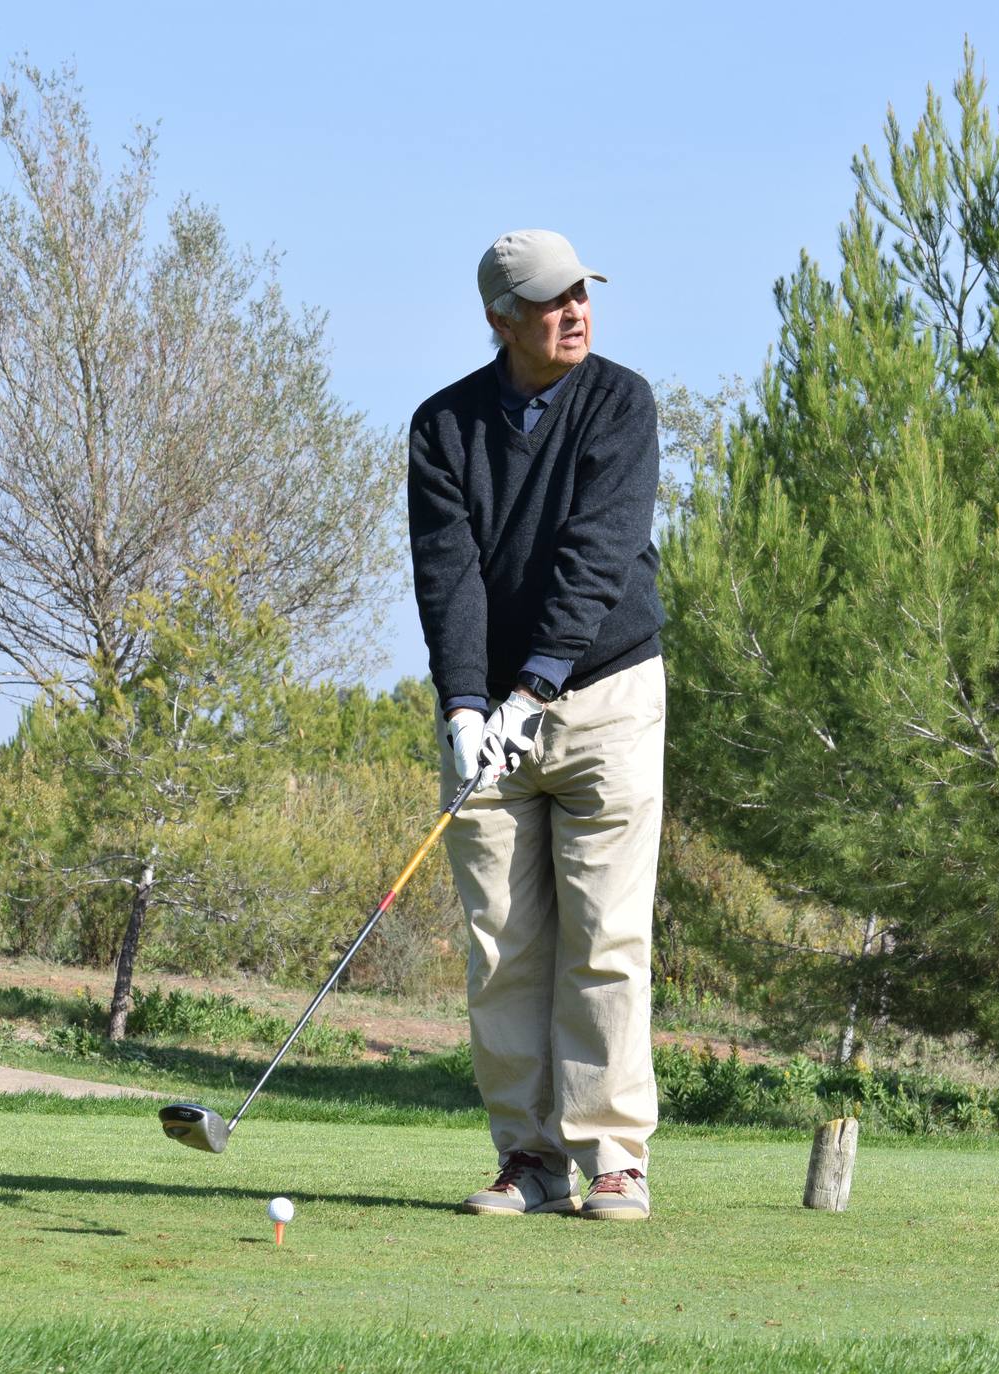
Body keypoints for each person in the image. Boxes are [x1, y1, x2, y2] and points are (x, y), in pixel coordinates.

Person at [406, 228, 666, 1222]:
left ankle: (614, 1159)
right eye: (553, 300)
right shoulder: (444, 427)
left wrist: (533, 692)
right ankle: (529, 1158)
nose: (576, 311)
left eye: (582, 294)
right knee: (503, 944)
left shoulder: (620, 401)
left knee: (604, 936)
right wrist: (468, 709)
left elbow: (597, 556)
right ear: (500, 320)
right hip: (494, 716)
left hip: (604, 695)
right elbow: (449, 573)